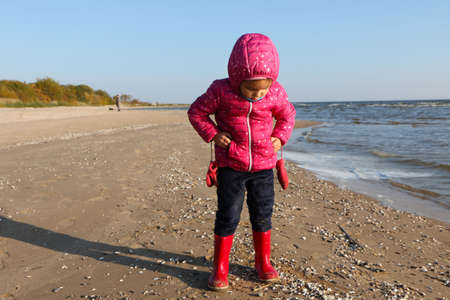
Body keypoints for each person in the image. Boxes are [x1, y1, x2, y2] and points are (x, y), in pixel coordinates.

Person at [187, 33, 296, 290]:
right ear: (237, 79)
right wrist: (214, 134)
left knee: (262, 213)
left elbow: (287, 116)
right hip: (231, 167)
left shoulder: (276, 93)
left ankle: (263, 261)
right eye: (251, 89)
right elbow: (196, 113)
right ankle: (220, 267)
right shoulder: (220, 91)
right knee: (228, 214)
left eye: (263, 88)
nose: (258, 94)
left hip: (264, 167)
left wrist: (280, 137)